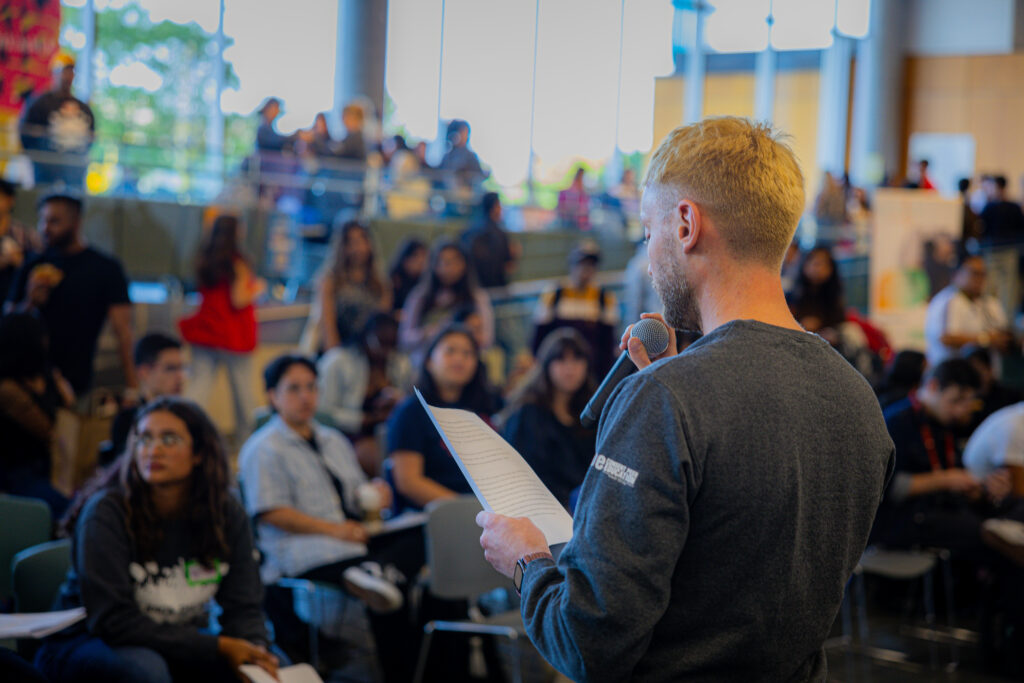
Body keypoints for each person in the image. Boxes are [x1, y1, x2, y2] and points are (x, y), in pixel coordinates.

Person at [476, 116, 894, 682]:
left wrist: (527, 562)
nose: (649, 258)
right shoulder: (857, 399)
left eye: (649, 233)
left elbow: (587, 642)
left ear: (687, 224)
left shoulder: (666, 400)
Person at [35, 398, 277, 683]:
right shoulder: (107, 512)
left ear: (199, 452)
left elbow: (244, 605)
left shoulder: (225, 510)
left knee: (271, 666)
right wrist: (220, 646)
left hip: (173, 639)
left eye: (169, 439)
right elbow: (113, 621)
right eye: (144, 438)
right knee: (146, 670)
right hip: (85, 641)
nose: (154, 449)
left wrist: (255, 650)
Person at [238, 354, 419, 683]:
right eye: (294, 389)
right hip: (303, 549)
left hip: (351, 537)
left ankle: (375, 574)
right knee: (392, 588)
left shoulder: (332, 439)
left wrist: (376, 492)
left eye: (311, 387)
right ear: (272, 396)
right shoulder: (262, 449)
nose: (305, 396)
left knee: (418, 535)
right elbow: (271, 512)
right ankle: (399, 668)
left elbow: (355, 494)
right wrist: (335, 531)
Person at [6, 191, 135, 398]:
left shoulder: (105, 269)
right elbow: (7, 327)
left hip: (79, 380)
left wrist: (132, 387)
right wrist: (30, 303)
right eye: (43, 220)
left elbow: (124, 333)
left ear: (76, 223)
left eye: (54, 221)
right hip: (26, 381)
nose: (45, 228)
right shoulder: (32, 265)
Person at [387, 325, 500, 511]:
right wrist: (466, 509)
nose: (459, 359)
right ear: (430, 361)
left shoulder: (485, 408)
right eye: (450, 351)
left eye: (467, 353)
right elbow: (408, 482)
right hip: (437, 515)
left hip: (488, 511)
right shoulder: (411, 412)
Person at [179, 214, 265, 441]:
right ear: (236, 232)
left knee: (197, 390)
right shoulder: (238, 261)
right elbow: (239, 299)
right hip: (233, 335)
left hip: (206, 332)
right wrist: (256, 288)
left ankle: (183, 434)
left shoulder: (205, 258)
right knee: (244, 398)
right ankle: (249, 445)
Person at [501, 328, 596, 509]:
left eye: (577, 359)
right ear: (546, 364)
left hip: (585, 509)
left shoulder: (593, 413)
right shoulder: (527, 413)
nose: (570, 368)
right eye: (561, 359)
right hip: (540, 509)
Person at [318, 312, 413, 475]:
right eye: (381, 343)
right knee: (380, 458)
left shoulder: (399, 363)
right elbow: (323, 413)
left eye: (392, 345)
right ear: (367, 336)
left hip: (389, 432)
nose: (386, 351)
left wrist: (398, 402)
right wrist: (365, 420)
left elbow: (411, 402)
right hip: (346, 434)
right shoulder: (338, 361)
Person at [0, 312, 71, 518]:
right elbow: (45, 428)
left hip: (49, 467)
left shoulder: (45, 374)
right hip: (16, 474)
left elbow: (69, 401)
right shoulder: (7, 389)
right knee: (67, 508)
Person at [532, 240, 619, 378]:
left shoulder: (604, 298)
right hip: (557, 369)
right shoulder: (554, 294)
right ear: (572, 265)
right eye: (582, 264)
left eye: (591, 265)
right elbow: (539, 335)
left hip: (591, 371)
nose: (586, 270)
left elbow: (608, 341)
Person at [399, 240, 494, 358]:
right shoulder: (421, 295)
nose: (448, 267)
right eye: (442, 261)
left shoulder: (477, 296)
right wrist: (429, 332)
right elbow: (404, 338)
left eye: (454, 261)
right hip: (427, 360)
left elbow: (487, 339)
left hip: (466, 360)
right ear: (433, 264)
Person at [106, 333, 186, 465]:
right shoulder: (128, 421)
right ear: (144, 372)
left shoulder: (187, 417)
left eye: (182, 368)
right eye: (170, 368)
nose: (180, 377)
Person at [18, 53, 95, 188]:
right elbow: (25, 133)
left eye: (71, 72)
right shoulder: (39, 103)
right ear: (54, 73)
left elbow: (91, 136)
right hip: (46, 169)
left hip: (74, 170)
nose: (67, 76)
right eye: (64, 71)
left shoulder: (83, 108)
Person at [312, 219, 390, 351]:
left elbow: (382, 326)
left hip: (369, 353)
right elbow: (327, 326)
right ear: (342, 247)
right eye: (351, 242)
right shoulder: (330, 281)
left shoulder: (380, 283)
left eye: (361, 241)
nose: (357, 248)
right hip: (338, 352)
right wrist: (336, 357)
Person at [924, 254, 1012, 366]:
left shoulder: (990, 303)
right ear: (957, 274)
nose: (979, 279)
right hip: (952, 374)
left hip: (986, 375)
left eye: (983, 274)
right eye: (974, 273)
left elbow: (1003, 335)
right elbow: (946, 339)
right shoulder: (945, 300)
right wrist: (985, 340)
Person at [786, 246, 847, 343]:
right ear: (805, 265)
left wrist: (820, 324)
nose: (817, 269)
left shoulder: (834, 292)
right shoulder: (795, 292)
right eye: (815, 263)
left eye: (823, 264)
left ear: (831, 268)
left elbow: (839, 319)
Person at [460, 192, 517, 289]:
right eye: (499, 206)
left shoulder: (469, 230)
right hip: (494, 287)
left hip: (471, 286)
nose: (501, 210)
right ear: (494, 207)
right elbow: (508, 266)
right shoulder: (500, 235)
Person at [964, 345, 1023, 428]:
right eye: (972, 372)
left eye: (980, 371)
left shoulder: (1011, 395)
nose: (976, 376)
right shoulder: (966, 400)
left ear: (990, 369)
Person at [0, 180, 38, 302]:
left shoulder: (26, 235)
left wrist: (20, 262)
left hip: (16, 302)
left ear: (10, 200)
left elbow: (39, 270)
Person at [439, 119, 486, 190]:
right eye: (462, 132)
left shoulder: (470, 156)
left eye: (466, 133)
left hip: (466, 193)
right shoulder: (447, 156)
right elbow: (440, 175)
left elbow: (479, 176)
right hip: (448, 193)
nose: (465, 136)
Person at [979, 175, 1024, 247]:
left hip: (998, 247)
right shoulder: (1014, 207)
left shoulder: (989, 208)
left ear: (998, 187)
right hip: (1009, 246)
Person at [387, 237, 428, 315]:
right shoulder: (393, 281)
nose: (421, 260)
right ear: (405, 258)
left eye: (424, 255)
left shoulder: (426, 283)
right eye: (416, 256)